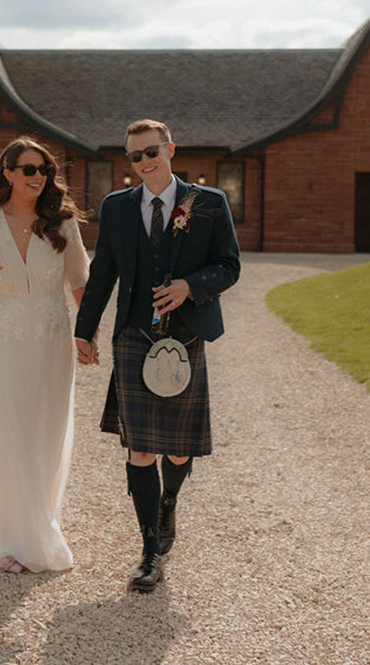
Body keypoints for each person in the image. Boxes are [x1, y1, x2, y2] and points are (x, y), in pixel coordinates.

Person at [74, 119, 241, 592]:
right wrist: (83, 331)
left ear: (170, 149)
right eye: (135, 156)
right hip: (133, 335)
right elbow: (102, 272)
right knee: (141, 446)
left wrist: (191, 286)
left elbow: (229, 266)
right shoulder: (117, 207)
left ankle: (170, 502)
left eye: (152, 152)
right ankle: (149, 549)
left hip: (186, 335)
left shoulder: (207, 203)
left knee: (179, 446)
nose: (145, 162)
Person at [0, 137, 90, 574]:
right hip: (2, 337)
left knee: (48, 429)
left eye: (45, 170)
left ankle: (44, 526)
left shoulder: (63, 223)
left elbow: (79, 285)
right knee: (12, 432)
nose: (38, 177)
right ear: (9, 173)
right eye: (29, 169)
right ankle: (16, 539)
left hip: (52, 334)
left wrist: (86, 334)